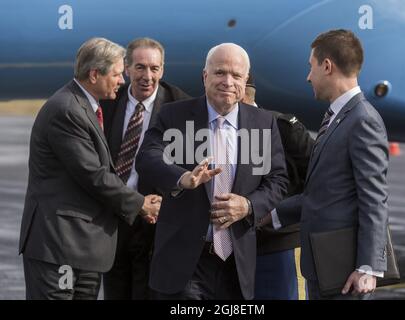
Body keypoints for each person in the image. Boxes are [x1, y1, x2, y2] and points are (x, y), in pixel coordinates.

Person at [136, 43, 288, 300]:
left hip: (236, 265)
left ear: (245, 80)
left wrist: (248, 205)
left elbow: (277, 180)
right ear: (205, 76)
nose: (227, 81)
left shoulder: (263, 123)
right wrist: (182, 178)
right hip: (185, 265)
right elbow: (147, 157)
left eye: (236, 75)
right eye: (219, 73)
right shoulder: (175, 115)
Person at [19, 37, 161, 300]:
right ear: (94, 74)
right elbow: (93, 174)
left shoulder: (87, 106)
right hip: (60, 245)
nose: (122, 81)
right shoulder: (67, 110)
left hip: (84, 248)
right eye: (118, 74)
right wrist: (140, 203)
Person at [271, 29, 389, 300]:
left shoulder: (362, 120)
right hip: (325, 267)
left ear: (327, 66)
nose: (308, 77)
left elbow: (374, 198)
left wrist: (368, 267)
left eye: (311, 67)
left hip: (345, 273)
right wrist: (272, 214)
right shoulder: (338, 118)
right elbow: (325, 192)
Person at [100, 37, 190, 300]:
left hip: (156, 220)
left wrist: (165, 203)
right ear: (126, 68)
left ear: (162, 70)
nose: (147, 76)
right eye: (140, 67)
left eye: (154, 68)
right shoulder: (107, 102)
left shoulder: (180, 106)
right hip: (115, 217)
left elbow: (188, 164)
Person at [241, 75, 314, 300]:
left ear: (242, 91)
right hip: (238, 249)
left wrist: (278, 213)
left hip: (280, 246)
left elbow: (320, 181)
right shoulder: (216, 130)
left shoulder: (283, 128)